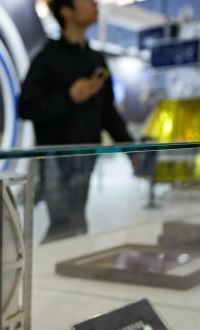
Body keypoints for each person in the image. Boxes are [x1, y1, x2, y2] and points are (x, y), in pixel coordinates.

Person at [18, 0, 134, 241]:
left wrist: (132, 148)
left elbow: (107, 113)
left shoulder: (96, 60)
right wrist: (68, 97)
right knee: (64, 223)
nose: (94, 4)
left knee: (76, 219)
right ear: (66, 11)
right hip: (56, 156)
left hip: (87, 155)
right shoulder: (46, 59)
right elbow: (27, 107)